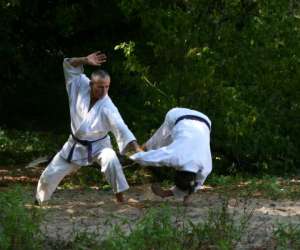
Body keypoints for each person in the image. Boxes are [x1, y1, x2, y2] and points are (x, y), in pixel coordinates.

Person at [36, 51, 142, 205]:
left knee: (111, 159)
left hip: (99, 145)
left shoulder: (108, 106)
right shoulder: (79, 84)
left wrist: (137, 148)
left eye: (107, 87)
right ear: (91, 84)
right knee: (49, 175)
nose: (104, 91)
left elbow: (121, 127)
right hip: (75, 145)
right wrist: (84, 60)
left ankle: (121, 199)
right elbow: (68, 64)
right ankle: (39, 202)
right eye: (100, 87)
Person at [130, 107, 212, 202]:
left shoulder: (206, 166)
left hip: (205, 121)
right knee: (158, 141)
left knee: (171, 141)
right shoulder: (175, 156)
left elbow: (197, 183)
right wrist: (133, 156)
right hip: (176, 115)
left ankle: (168, 194)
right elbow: (149, 158)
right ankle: (144, 147)